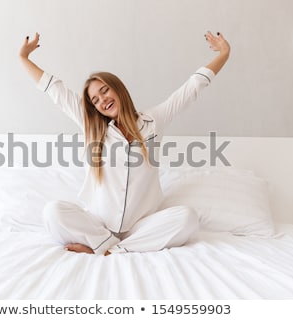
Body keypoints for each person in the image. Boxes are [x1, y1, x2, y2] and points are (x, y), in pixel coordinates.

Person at [19, 31, 230, 255]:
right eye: (95, 100)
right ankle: (107, 244)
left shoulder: (153, 121)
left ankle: (107, 250)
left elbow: (191, 88)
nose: (103, 100)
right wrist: (24, 58)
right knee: (53, 212)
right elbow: (56, 91)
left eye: (105, 91)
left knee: (188, 218)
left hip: (140, 227)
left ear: (117, 88)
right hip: (98, 225)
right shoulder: (92, 127)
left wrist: (224, 54)